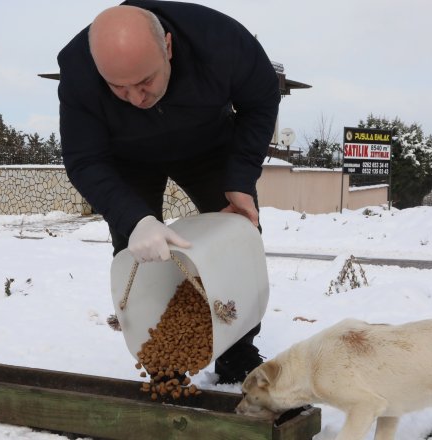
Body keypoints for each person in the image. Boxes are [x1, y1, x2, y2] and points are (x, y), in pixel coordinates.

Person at [57, 0, 280, 384]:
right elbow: (84, 159)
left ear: (169, 48)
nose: (137, 99)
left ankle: (237, 348)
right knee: (140, 249)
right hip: (128, 158)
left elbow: (261, 101)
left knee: (235, 240)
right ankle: (163, 356)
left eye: (145, 81)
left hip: (208, 147)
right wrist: (135, 220)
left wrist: (240, 178)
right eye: (118, 89)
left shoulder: (222, 42)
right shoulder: (78, 71)